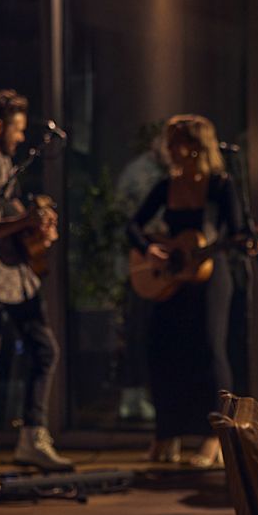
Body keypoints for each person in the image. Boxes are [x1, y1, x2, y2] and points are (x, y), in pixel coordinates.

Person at [126, 115, 243, 467]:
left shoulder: (220, 186)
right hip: (172, 282)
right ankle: (166, 434)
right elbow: (133, 225)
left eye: (178, 142)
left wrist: (247, 241)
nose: (172, 149)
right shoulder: (166, 185)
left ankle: (214, 438)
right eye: (171, 142)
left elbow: (237, 232)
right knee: (162, 349)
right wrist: (150, 248)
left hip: (210, 277)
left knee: (209, 349)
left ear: (196, 146)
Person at [0, 90, 68, 473]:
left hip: (16, 276)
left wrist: (38, 226)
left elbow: (10, 211)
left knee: (44, 349)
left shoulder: (4, 164)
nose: (21, 138)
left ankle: (33, 436)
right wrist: (23, 222)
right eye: (16, 129)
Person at [115, 120, 167, 423]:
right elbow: (127, 218)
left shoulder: (166, 174)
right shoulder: (140, 173)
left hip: (157, 267)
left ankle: (143, 395)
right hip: (142, 265)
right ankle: (132, 396)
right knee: (137, 331)